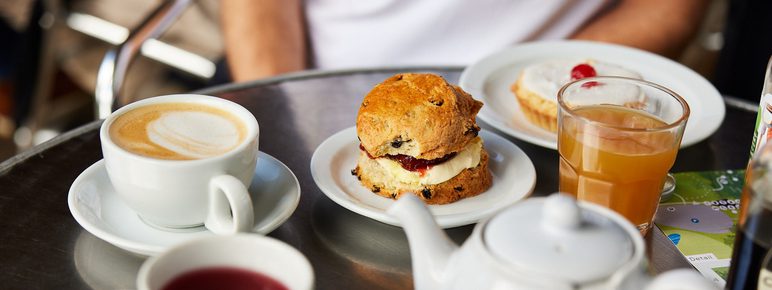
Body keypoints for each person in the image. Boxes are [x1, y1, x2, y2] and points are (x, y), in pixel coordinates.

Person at [220, 0, 709, 83]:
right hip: (316, 79)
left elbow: (670, 7)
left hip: (548, 99)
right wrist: (285, 104)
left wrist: (541, 81)